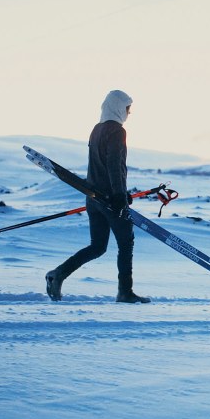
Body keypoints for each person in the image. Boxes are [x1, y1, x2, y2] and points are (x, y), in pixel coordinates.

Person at [45, 90, 150, 303]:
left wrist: (122, 193)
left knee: (98, 246)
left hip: (93, 197)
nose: (129, 113)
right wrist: (119, 195)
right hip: (110, 199)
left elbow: (99, 165)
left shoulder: (97, 130)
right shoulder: (117, 131)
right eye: (128, 109)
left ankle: (58, 274)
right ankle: (125, 292)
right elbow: (114, 165)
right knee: (126, 243)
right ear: (119, 107)